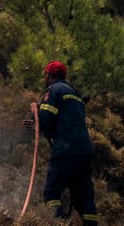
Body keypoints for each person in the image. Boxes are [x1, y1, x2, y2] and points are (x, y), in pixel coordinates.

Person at [23, 60, 98, 225]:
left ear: (50, 75)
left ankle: (59, 223)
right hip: (84, 152)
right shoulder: (75, 94)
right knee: (84, 199)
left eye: (46, 75)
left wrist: (36, 123)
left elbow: (46, 118)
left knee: (51, 194)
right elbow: (65, 120)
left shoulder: (54, 90)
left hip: (66, 150)